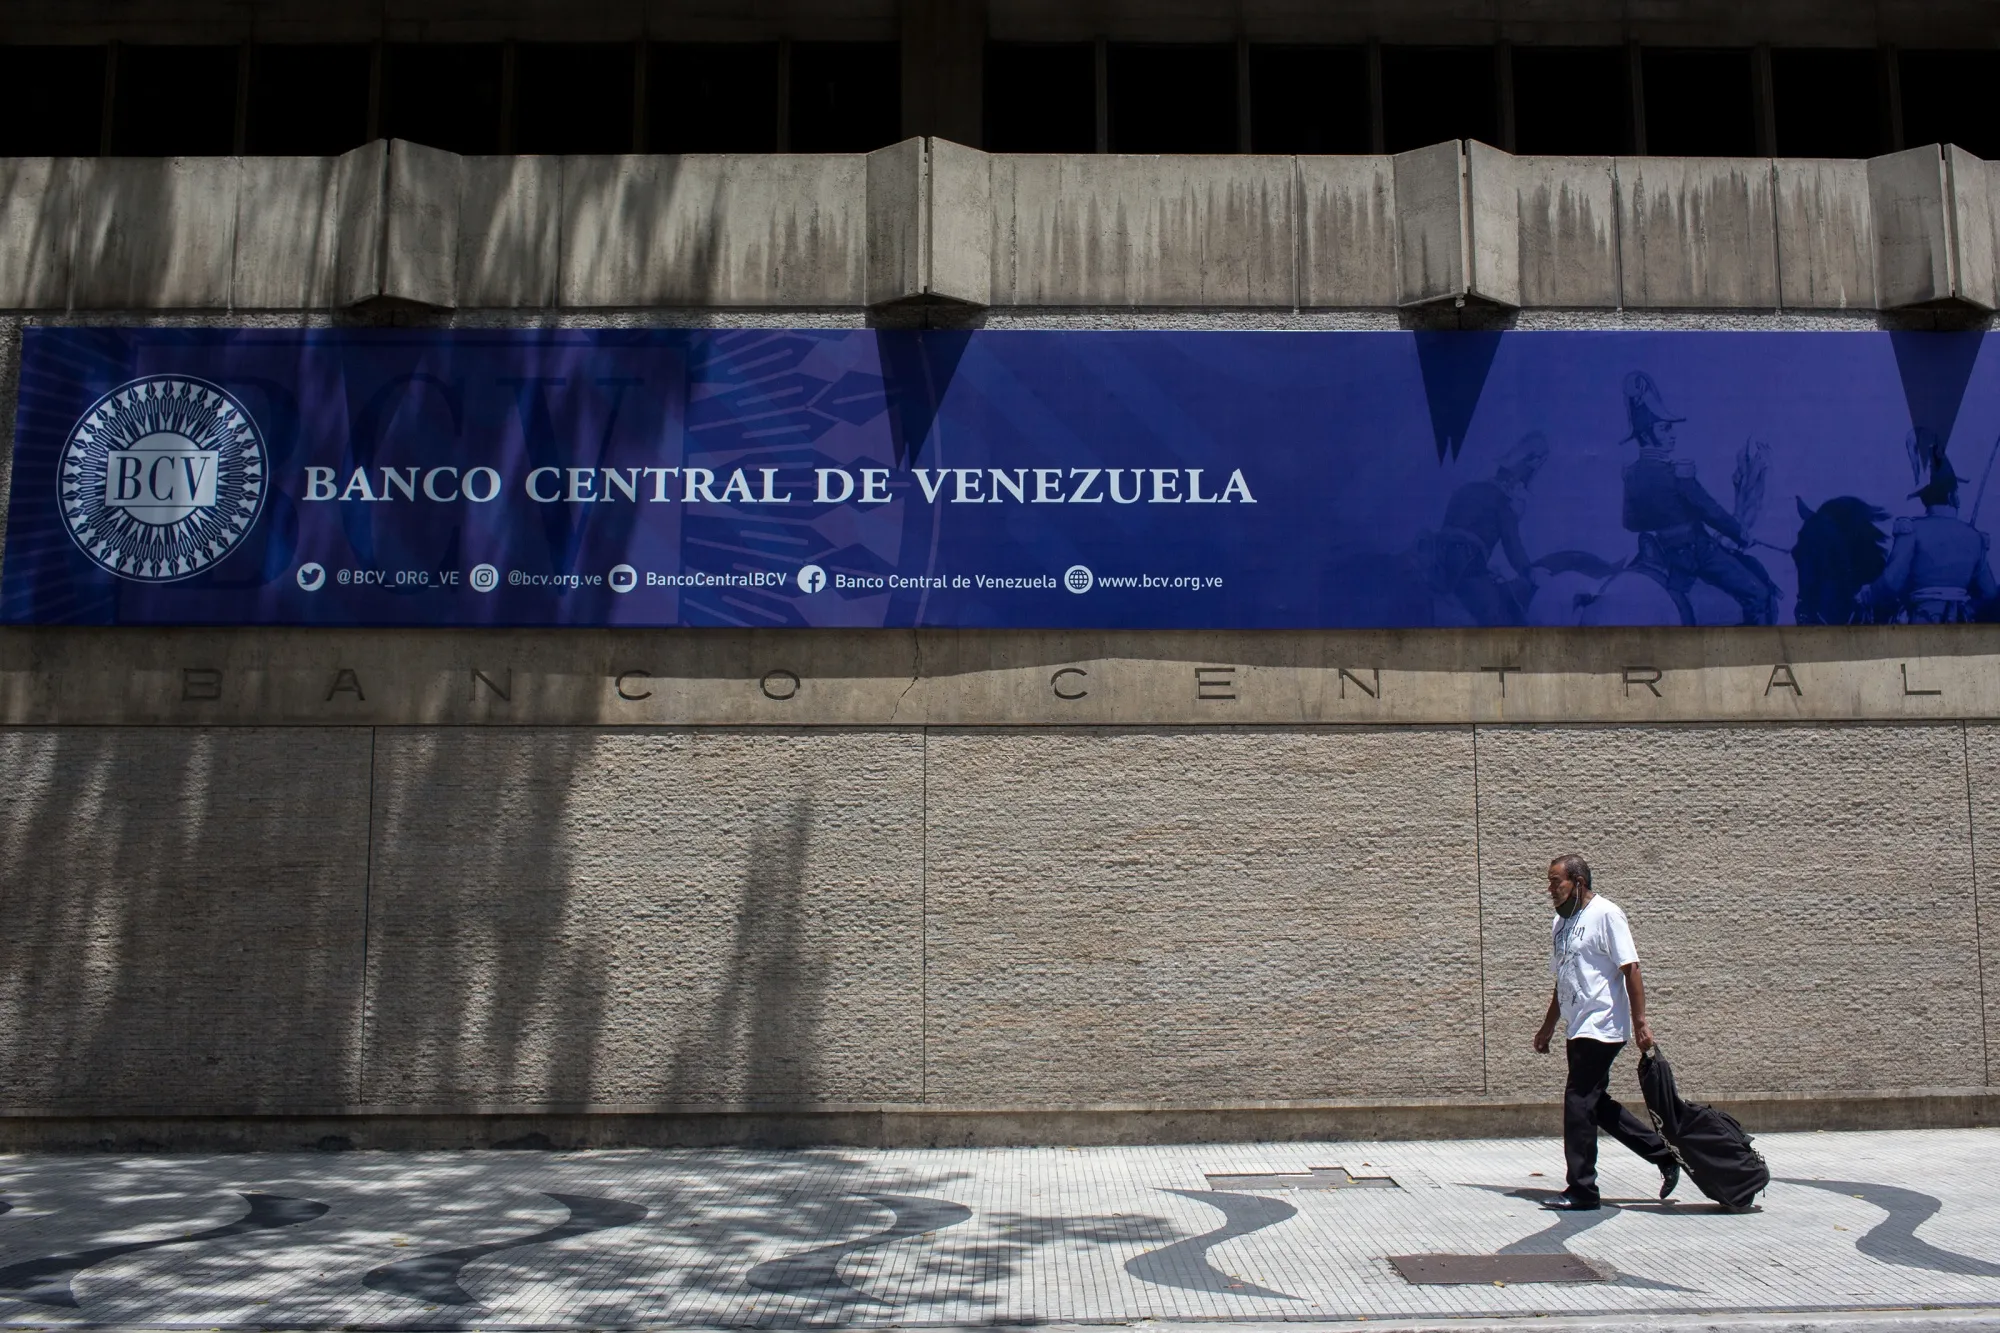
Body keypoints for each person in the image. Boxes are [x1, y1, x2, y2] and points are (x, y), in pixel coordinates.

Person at [1532, 853, 1681, 1211]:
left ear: (1578, 882)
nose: (1550, 888)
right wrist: (1549, 1025)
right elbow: (1562, 978)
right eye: (1549, 882)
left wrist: (1641, 1021)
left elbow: (1630, 968)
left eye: (1556, 881)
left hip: (1603, 1024)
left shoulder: (1607, 914)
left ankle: (1583, 1190)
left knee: (1577, 1100)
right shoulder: (1561, 923)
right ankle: (1663, 1155)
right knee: (1593, 1103)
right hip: (1577, 1023)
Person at [1618, 372, 1776, 625]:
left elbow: (1630, 523)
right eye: (1665, 428)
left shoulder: (1631, 475)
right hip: (1697, 551)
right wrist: (1740, 534)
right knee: (1759, 594)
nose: (1673, 434)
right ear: (1647, 435)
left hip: (1658, 553)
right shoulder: (1678, 473)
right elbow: (1709, 510)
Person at [1857, 430, 1998, 624]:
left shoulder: (1911, 531)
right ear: (1952, 496)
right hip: (1961, 626)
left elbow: (1890, 584)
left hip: (1920, 626)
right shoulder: (1975, 538)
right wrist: (1968, 611)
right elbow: (1989, 592)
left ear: (1924, 498)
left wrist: (1867, 595)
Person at [1426, 432, 1550, 625]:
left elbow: (1449, 531)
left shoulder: (1465, 490)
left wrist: (1483, 565)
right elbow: (1514, 550)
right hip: (1468, 571)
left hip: (1438, 565)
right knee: (1499, 620)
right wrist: (1530, 573)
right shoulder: (1504, 503)